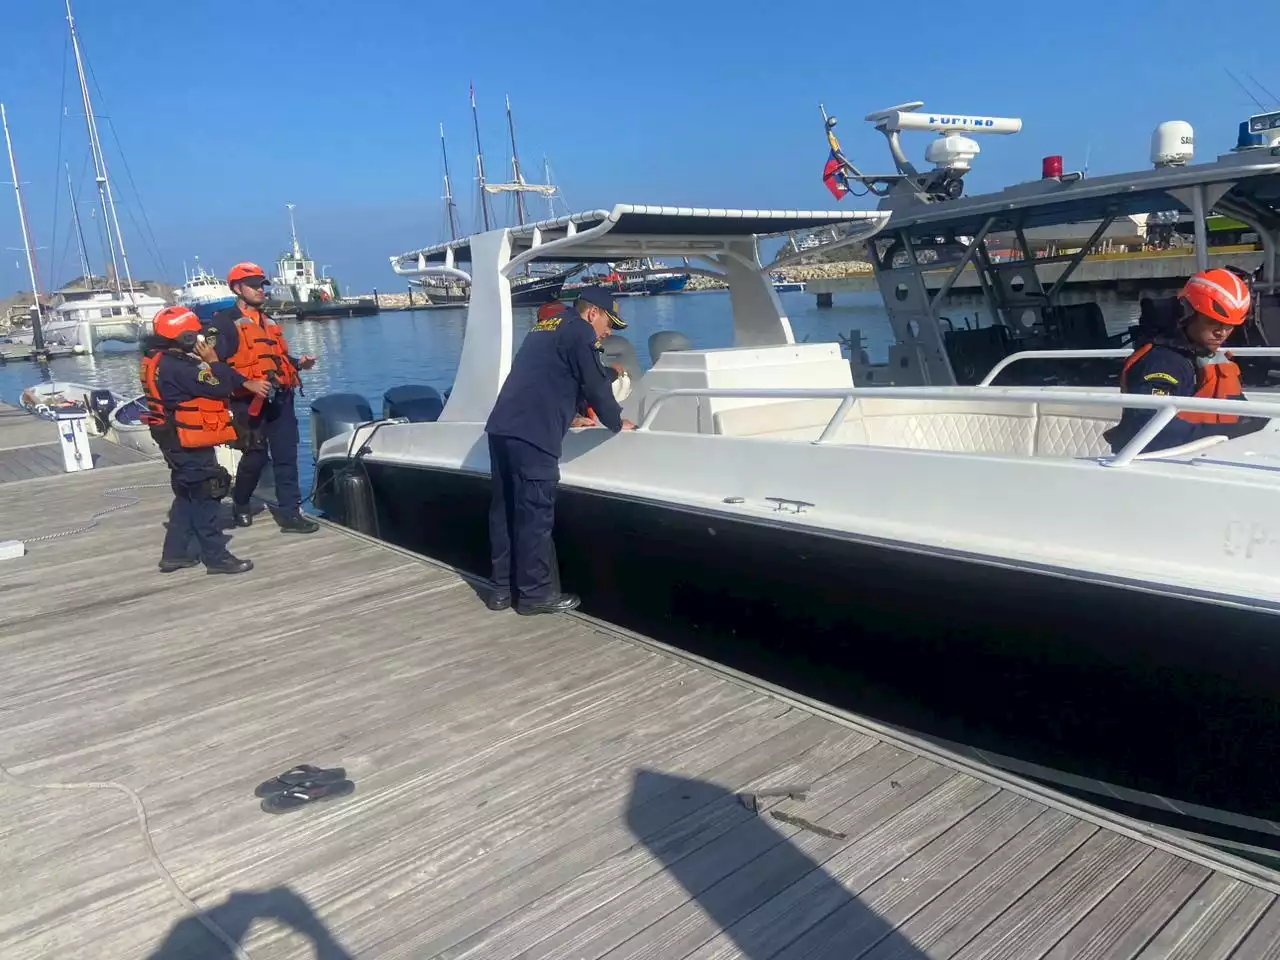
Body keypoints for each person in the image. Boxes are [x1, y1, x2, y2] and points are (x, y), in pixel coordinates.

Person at [484, 286, 637, 615]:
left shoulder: (545, 326)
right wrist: (614, 421)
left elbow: (551, 376)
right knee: (534, 515)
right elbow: (593, 383)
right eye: (608, 323)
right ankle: (535, 596)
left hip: (501, 428)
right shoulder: (580, 331)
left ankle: (500, 591)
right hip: (534, 434)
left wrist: (574, 413)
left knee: (505, 512)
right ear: (592, 313)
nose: (608, 331)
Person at [141, 305, 271, 574]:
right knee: (207, 494)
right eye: (194, 334)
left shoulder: (156, 360)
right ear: (185, 337)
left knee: (186, 496)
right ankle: (215, 556)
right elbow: (222, 386)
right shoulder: (181, 368)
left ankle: (174, 553)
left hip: (172, 439)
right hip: (189, 441)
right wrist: (213, 360)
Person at [206, 262, 319, 533]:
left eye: (261, 285)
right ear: (237, 288)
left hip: (280, 398)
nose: (260, 290)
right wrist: (247, 383)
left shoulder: (269, 321)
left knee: (286, 456)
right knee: (255, 457)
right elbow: (215, 365)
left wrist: (298, 363)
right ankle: (241, 501)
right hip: (248, 401)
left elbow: (275, 359)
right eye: (254, 286)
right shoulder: (222, 323)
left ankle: (290, 514)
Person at [1105, 268, 1267, 454]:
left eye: (1229, 326)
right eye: (1212, 322)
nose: (1221, 332)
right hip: (1160, 463)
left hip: (1208, 454)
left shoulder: (1208, 357)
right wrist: (1229, 433)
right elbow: (1150, 426)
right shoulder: (1162, 363)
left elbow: (1238, 409)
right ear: (1189, 314)